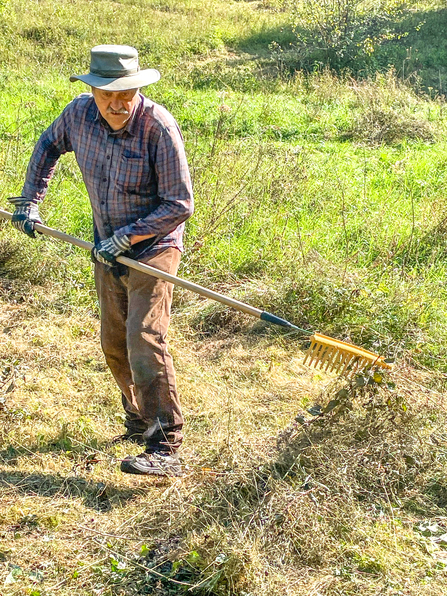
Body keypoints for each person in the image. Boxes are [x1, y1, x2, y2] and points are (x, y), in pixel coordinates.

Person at [8, 45, 194, 476]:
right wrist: (31, 202)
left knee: (144, 341)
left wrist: (128, 238)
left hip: (153, 248)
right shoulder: (77, 115)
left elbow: (179, 203)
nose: (117, 104)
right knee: (113, 343)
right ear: (92, 90)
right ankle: (138, 417)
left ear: (137, 89)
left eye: (125, 94)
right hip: (105, 246)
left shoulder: (157, 128)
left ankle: (166, 446)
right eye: (107, 94)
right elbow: (48, 145)